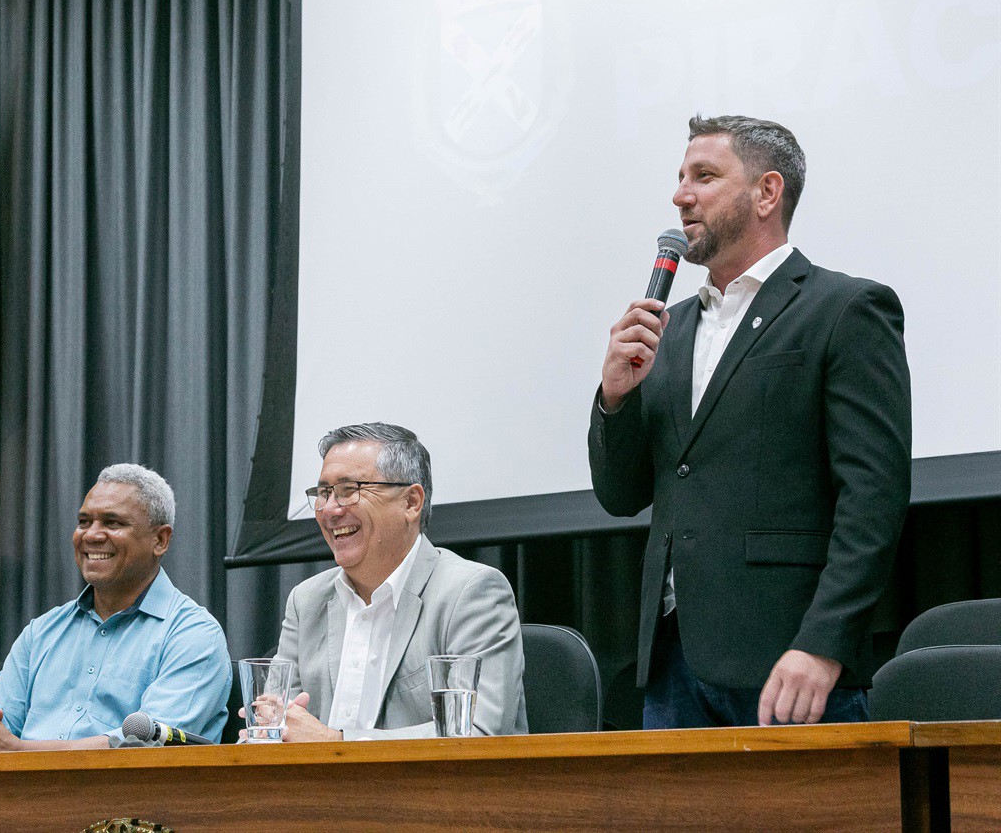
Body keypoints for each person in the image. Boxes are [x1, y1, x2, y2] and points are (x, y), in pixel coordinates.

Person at [589, 115, 912, 729]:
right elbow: (620, 495)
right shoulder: (669, 326)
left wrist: (823, 645)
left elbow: (873, 497)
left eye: (703, 176)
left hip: (790, 665)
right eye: (680, 178)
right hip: (672, 667)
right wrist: (614, 401)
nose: (681, 195)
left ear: (767, 192)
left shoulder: (844, 309)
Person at [0, 464, 231, 751]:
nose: (91, 535)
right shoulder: (43, 632)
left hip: (133, 798)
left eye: (113, 522)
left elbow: (146, 747)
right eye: (84, 521)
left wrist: (20, 752)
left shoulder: (193, 635)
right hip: (18, 795)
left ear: (160, 540)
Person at [272, 422, 526, 740]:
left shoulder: (471, 592)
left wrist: (337, 743)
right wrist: (265, 728)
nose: (330, 510)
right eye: (324, 493)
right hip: (312, 790)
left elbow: (480, 731)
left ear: (411, 503)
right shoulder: (306, 600)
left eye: (349, 490)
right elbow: (279, 723)